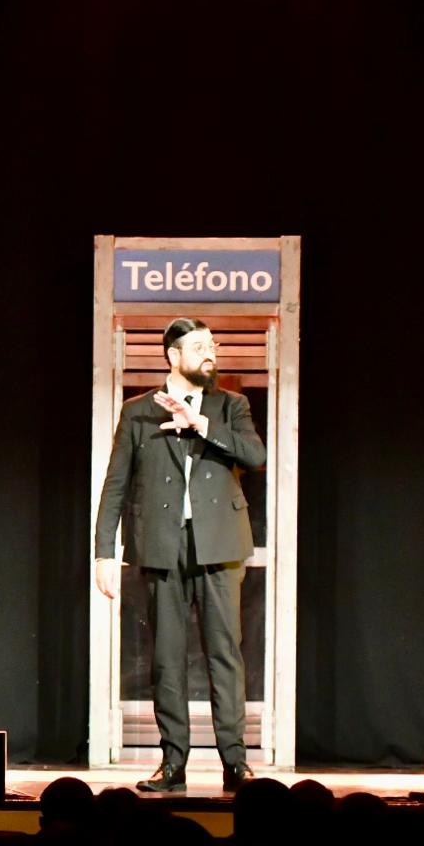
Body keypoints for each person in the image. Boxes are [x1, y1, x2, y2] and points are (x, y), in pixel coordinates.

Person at [94, 317, 266, 793]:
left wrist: (201, 425)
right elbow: (116, 483)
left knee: (224, 654)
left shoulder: (231, 405)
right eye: (199, 347)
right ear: (173, 355)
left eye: (213, 345)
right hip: (161, 545)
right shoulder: (138, 411)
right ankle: (173, 763)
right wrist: (104, 552)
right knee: (167, 659)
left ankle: (236, 763)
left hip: (219, 546)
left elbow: (255, 456)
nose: (210, 353)